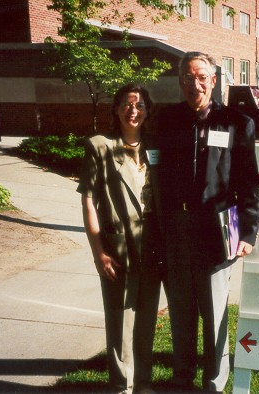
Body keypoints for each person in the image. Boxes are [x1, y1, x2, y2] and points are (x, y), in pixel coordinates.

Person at [157, 51, 259, 392]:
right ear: (180, 81)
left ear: (214, 81)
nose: (194, 84)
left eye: (202, 77)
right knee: (182, 312)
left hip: (218, 229)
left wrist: (248, 230)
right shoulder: (166, 119)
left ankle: (214, 383)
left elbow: (248, 180)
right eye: (188, 78)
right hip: (176, 229)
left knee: (214, 313)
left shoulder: (237, 122)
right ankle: (182, 378)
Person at [77, 83, 163, 393]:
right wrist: (98, 251)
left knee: (146, 319)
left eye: (140, 105)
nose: (133, 110)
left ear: (147, 111)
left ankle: (143, 382)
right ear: (116, 109)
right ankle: (120, 385)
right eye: (127, 104)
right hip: (117, 248)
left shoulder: (155, 146)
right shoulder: (100, 147)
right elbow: (87, 200)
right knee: (119, 320)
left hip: (152, 248)